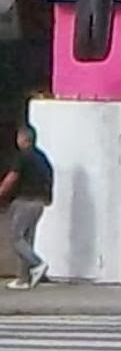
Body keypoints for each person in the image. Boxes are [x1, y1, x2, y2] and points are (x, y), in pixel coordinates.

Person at [0, 124, 53, 290]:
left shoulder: (23, 157)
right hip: (39, 203)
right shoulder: (42, 157)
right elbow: (50, 177)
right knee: (27, 240)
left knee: (16, 237)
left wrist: (1, 192)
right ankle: (23, 279)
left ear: (22, 138)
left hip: (25, 201)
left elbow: (12, 177)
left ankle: (37, 264)